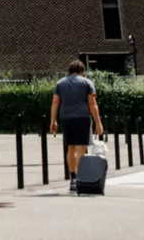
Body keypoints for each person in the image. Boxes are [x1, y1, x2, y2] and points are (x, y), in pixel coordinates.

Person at [50, 59, 104, 193]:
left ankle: (73, 178)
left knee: (70, 148)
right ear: (82, 71)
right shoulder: (87, 83)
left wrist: (53, 121)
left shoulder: (60, 83)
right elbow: (92, 104)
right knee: (81, 149)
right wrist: (98, 122)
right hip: (82, 117)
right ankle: (81, 178)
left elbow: (55, 102)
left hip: (66, 118)